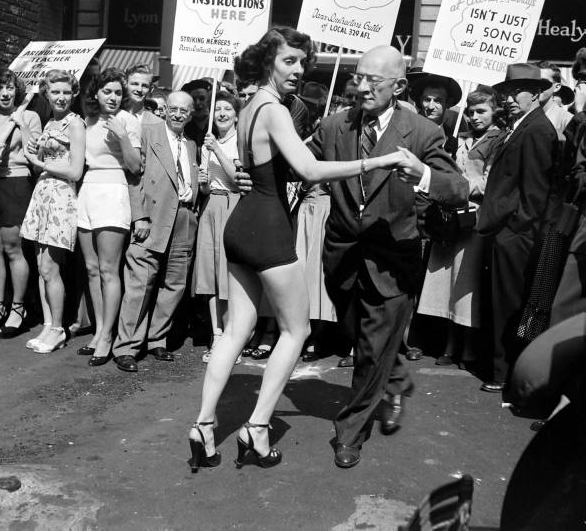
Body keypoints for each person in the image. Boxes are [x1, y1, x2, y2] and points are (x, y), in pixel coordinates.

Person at [187, 27, 411, 473]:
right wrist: (380, 159)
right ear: (268, 60)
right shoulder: (273, 109)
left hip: (242, 224)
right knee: (296, 332)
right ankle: (257, 427)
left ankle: (204, 426)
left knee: (234, 332)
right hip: (269, 230)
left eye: (303, 62)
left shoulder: (250, 105)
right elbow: (309, 167)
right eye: (289, 61)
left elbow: (259, 169)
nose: (298, 69)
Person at [306, 46, 468, 469]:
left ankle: (351, 431)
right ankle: (394, 379)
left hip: (394, 258)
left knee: (372, 347)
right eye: (357, 78)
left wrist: (425, 175)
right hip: (341, 253)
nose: (361, 87)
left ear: (398, 86)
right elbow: (298, 162)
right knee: (357, 334)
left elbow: (459, 188)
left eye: (372, 81)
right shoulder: (332, 126)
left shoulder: (422, 132)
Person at [477, 63, 558, 393]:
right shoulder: (522, 126)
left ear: (537, 95)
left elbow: (536, 191)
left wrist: (517, 230)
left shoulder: (537, 130)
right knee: (503, 302)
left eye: (517, 92)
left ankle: (507, 372)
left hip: (517, 234)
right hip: (507, 230)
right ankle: (502, 368)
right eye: (506, 93)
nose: (509, 99)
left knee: (512, 305)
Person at [417, 86, 504, 369]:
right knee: (446, 283)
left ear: (494, 112)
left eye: (482, 111)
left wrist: (460, 187)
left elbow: (489, 181)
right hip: (449, 216)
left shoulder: (498, 140)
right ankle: (449, 342)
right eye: (472, 111)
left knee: (466, 284)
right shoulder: (458, 138)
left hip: (474, 217)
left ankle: (467, 346)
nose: (475, 117)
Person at [112, 91, 199, 373]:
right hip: (153, 217)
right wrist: (140, 217)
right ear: (164, 111)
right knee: (141, 282)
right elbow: (134, 176)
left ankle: (156, 339)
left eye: (183, 110)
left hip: (184, 217)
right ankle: (126, 347)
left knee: (174, 283)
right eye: (172, 109)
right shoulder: (148, 133)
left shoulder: (193, 145)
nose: (176, 114)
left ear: (191, 114)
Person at [77, 68, 141, 366]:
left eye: (117, 92)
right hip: (88, 189)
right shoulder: (87, 121)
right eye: (107, 91)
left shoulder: (127, 120)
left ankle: (107, 336)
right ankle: (99, 328)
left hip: (114, 189)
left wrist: (122, 136)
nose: (113, 97)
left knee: (107, 269)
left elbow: (136, 166)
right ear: (96, 94)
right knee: (91, 268)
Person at [20, 70, 86, 353]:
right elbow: (37, 163)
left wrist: (41, 162)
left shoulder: (75, 124)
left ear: (74, 95)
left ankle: (58, 328)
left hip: (60, 197)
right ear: (46, 93)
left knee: (51, 267)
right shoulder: (49, 122)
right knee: (40, 267)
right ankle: (48, 325)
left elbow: (74, 170)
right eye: (55, 92)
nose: (61, 97)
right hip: (43, 194)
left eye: (66, 92)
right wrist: (32, 149)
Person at [0, 68, 41, 338]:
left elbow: (37, 155)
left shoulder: (29, 115)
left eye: (9, 87)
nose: (5, 93)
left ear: (16, 89)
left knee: (13, 248)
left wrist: (22, 126)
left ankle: (18, 308)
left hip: (17, 182)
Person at [193, 91, 240, 363]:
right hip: (211, 205)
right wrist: (202, 182)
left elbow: (236, 180)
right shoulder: (206, 144)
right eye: (218, 109)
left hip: (233, 205)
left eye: (227, 109)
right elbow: (206, 186)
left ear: (236, 115)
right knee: (210, 274)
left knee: (229, 275)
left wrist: (217, 150)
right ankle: (217, 334)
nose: (221, 114)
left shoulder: (239, 143)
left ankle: (232, 336)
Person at [536, 61, 573, 141]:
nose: (538, 86)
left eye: (544, 82)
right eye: (534, 82)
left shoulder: (567, 120)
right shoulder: (521, 116)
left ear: (556, 87)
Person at [182, 78, 212, 154]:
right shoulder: (184, 129)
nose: (198, 103)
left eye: (202, 98)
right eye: (194, 99)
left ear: (209, 100)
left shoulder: (217, 127)